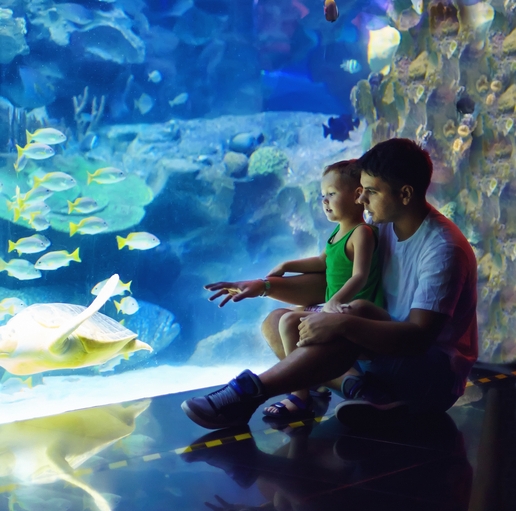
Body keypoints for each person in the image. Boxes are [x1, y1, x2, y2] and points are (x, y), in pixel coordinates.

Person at [182, 138, 478, 430]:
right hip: (378, 357)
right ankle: (364, 393)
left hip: (427, 377)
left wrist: (342, 325)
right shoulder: (380, 226)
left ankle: (249, 393)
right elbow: (332, 281)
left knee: (356, 310)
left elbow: (418, 338)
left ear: (405, 194)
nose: (361, 200)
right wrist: (264, 286)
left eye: (371, 192)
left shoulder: (442, 249)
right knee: (277, 321)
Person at [260, 159, 383, 420]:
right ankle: (311, 381)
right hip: (334, 308)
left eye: (331, 194)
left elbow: (360, 276)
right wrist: (286, 264)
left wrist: (333, 302)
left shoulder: (362, 233)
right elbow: (321, 261)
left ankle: (299, 395)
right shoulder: (337, 233)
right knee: (285, 317)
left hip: (353, 311)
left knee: (290, 321)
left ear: (357, 195)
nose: (324, 201)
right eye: (322, 196)